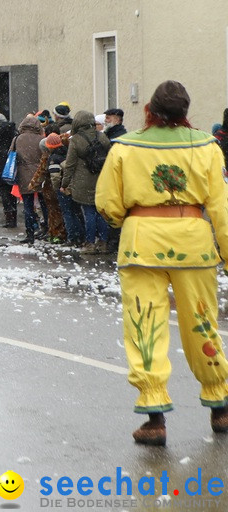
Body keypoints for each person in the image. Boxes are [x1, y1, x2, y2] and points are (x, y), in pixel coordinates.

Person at [95, 80, 228, 446]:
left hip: (142, 245)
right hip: (194, 244)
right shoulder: (207, 147)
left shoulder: (124, 147)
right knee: (202, 323)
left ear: (149, 111)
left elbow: (107, 201)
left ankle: (154, 417)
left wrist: (128, 216)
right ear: (185, 114)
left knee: (144, 325)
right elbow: (221, 208)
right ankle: (220, 405)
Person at [60, 110, 111, 254]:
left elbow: (69, 165)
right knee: (101, 212)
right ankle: (103, 242)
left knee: (89, 213)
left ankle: (89, 243)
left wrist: (64, 184)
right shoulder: (102, 137)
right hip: (101, 180)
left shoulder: (75, 140)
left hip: (83, 181)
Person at [13, 114, 45, 244]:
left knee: (28, 205)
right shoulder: (41, 139)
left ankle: (30, 233)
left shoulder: (17, 139)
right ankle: (46, 229)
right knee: (44, 204)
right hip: (39, 175)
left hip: (24, 174)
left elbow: (12, 155)